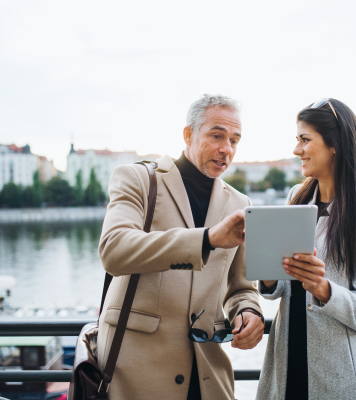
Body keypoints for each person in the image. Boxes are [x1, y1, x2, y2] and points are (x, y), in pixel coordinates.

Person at [97, 94, 265, 400]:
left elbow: (241, 286)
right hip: (136, 372)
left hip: (207, 375)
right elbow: (113, 249)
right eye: (217, 136)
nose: (226, 149)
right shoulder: (137, 178)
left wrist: (249, 311)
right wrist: (206, 239)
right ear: (188, 134)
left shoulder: (241, 204)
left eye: (234, 140)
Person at [257, 98, 356, 400]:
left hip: (340, 377)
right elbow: (280, 286)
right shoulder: (297, 196)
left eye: (305, 140)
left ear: (335, 144)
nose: (297, 150)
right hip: (286, 362)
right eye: (297, 140)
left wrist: (322, 288)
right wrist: (265, 267)